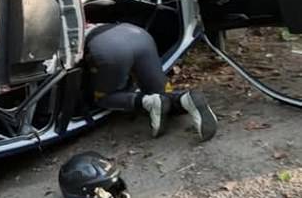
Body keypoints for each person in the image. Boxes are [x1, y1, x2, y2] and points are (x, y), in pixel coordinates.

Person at [84, 22, 218, 141]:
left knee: (104, 98)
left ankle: (149, 102)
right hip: (137, 34)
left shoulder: (72, 32)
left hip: (107, 47)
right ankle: (186, 98)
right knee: (162, 95)